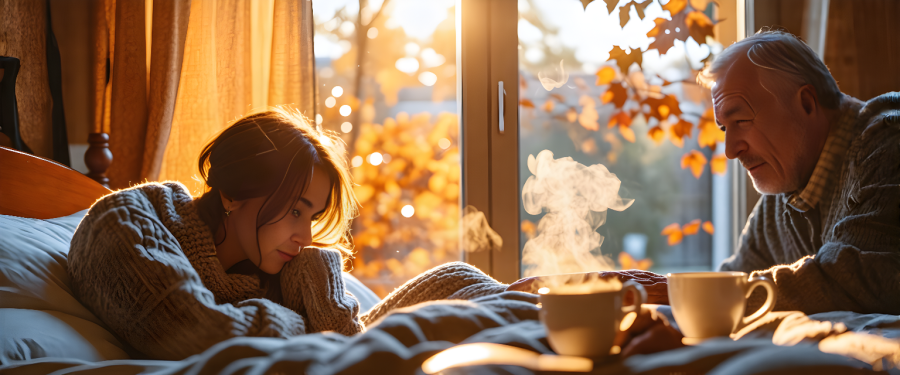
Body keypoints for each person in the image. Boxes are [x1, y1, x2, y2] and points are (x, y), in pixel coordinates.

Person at [511, 29, 900, 316]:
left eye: (741, 120)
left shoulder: (888, 139)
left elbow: (861, 277)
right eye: (724, 129)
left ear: (806, 103)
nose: (730, 150)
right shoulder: (782, 197)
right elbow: (735, 288)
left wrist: (668, 289)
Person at [67, 107, 507, 361]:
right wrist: (312, 322)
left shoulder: (261, 261)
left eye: (311, 217)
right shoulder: (128, 221)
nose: (304, 236)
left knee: (462, 280)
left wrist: (316, 278)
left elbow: (347, 338)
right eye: (295, 210)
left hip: (339, 346)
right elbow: (198, 334)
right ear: (234, 193)